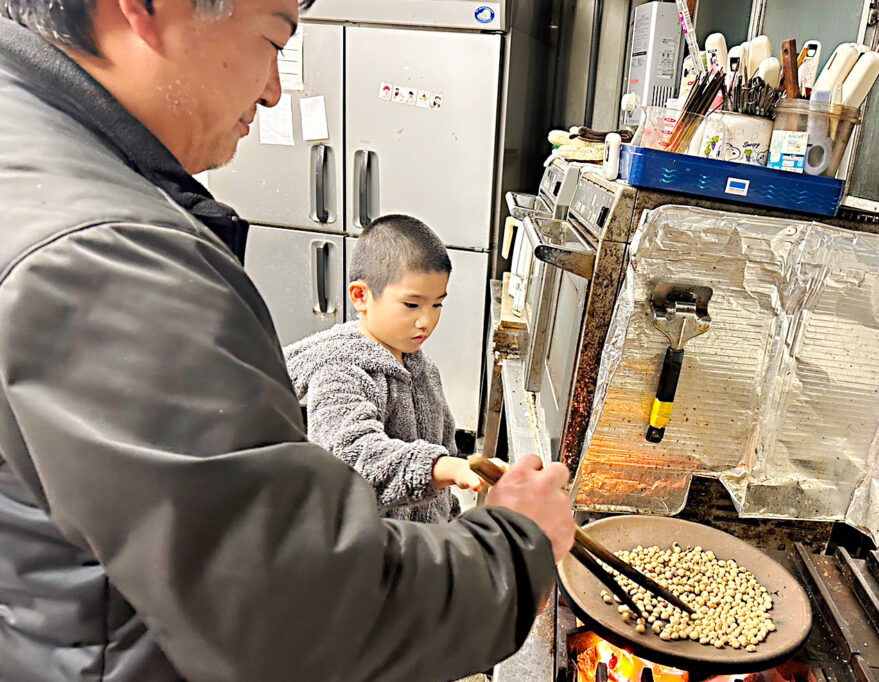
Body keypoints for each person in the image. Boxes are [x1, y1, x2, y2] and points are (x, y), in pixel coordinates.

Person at [0, 1, 576, 681]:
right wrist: (517, 542)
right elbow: (294, 611)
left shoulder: (33, 145)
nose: (275, 89)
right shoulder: (109, 255)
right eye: (274, 38)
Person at [286, 215, 488, 524]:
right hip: (367, 556)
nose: (427, 321)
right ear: (361, 297)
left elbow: (442, 478)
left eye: (437, 305)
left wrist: (452, 523)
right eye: (412, 305)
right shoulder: (341, 370)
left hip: (420, 549)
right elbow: (350, 460)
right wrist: (441, 468)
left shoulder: (424, 370)